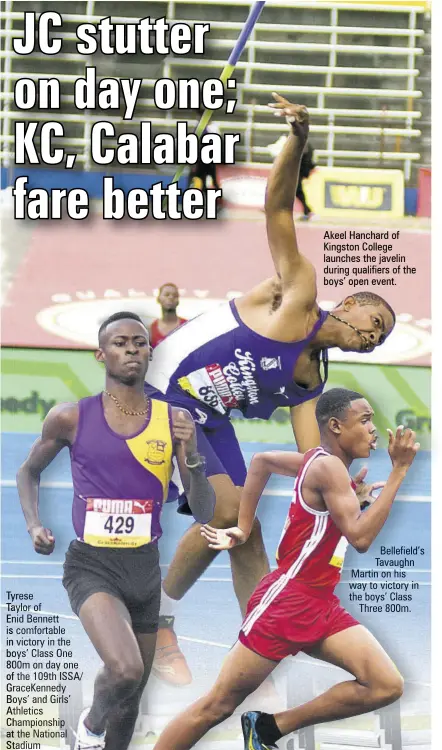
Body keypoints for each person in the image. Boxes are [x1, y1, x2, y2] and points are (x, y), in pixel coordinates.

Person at [101, 387, 419, 750]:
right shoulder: (330, 467)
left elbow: (263, 462)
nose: (374, 429)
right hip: (283, 606)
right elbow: (359, 536)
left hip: (317, 604)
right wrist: (398, 472)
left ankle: (270, 727)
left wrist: (246, 527)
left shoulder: (319, 462)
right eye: (365, 419)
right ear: (336, 426)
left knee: (385, 685)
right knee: (215, 707)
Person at [147, 94, 397, 686]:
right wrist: (299, 139)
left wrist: (343, 486)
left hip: (204, 413)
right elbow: (277, 208)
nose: (373, 341)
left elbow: (312, 457)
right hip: (165, 383)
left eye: (381, 342)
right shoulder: (299, 292)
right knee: (229, 511)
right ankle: (157, 621)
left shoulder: (312, 378)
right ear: (354, 305)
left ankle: (256, 644)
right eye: (375, 328)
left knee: (245, 529)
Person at [15, 311, 215, 750]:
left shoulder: (175, 419)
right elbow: (28, 472)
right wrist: (35, 523)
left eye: (139, 344)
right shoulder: (71, 418)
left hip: (144, 572)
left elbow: (203, 512)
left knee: (131, 701)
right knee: (123, 671)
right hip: (91, 566)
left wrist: (191, 455)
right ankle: (89, 726)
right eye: (119, 344)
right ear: (100, 356)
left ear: (149, 355)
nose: (132, 350)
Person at [149, 283, 187, 349]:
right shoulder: (151, 330)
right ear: (158, 299)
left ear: (178, 301)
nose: (171, 297)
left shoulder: (187, 326)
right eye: (166, 295)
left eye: (175, 296)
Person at [296, 141, 315, 219]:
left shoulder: (303, 144)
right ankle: (307, 211)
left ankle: (308, 211)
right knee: (297, 191)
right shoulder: (305, 144)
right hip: (298, 170)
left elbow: (305, 159)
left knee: (298, 191)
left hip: (298, 170)